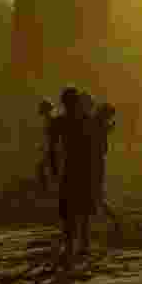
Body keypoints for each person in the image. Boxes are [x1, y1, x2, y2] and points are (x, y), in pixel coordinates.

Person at [47, 87, 97, 265]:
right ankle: (81, 244)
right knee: (81, 209)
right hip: (82, 169)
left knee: (72, 211)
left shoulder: (62, 122)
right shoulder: (84, 121)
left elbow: (52, 148)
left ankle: (73, 247)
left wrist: (53, 170)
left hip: (73, 169)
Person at [91, 102, 122, 232]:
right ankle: (113, 219)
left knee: (95, 194)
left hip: (94, 162)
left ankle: (114, 219)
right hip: (96, 161)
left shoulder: (96, 124)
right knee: (96, 194)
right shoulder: (99, 125)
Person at [35, 99, 54, 190]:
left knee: (41, 167)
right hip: (49, 148)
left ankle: (45, 188)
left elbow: (51, 136)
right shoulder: (49, 120)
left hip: (51, 149)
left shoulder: (50, 120)